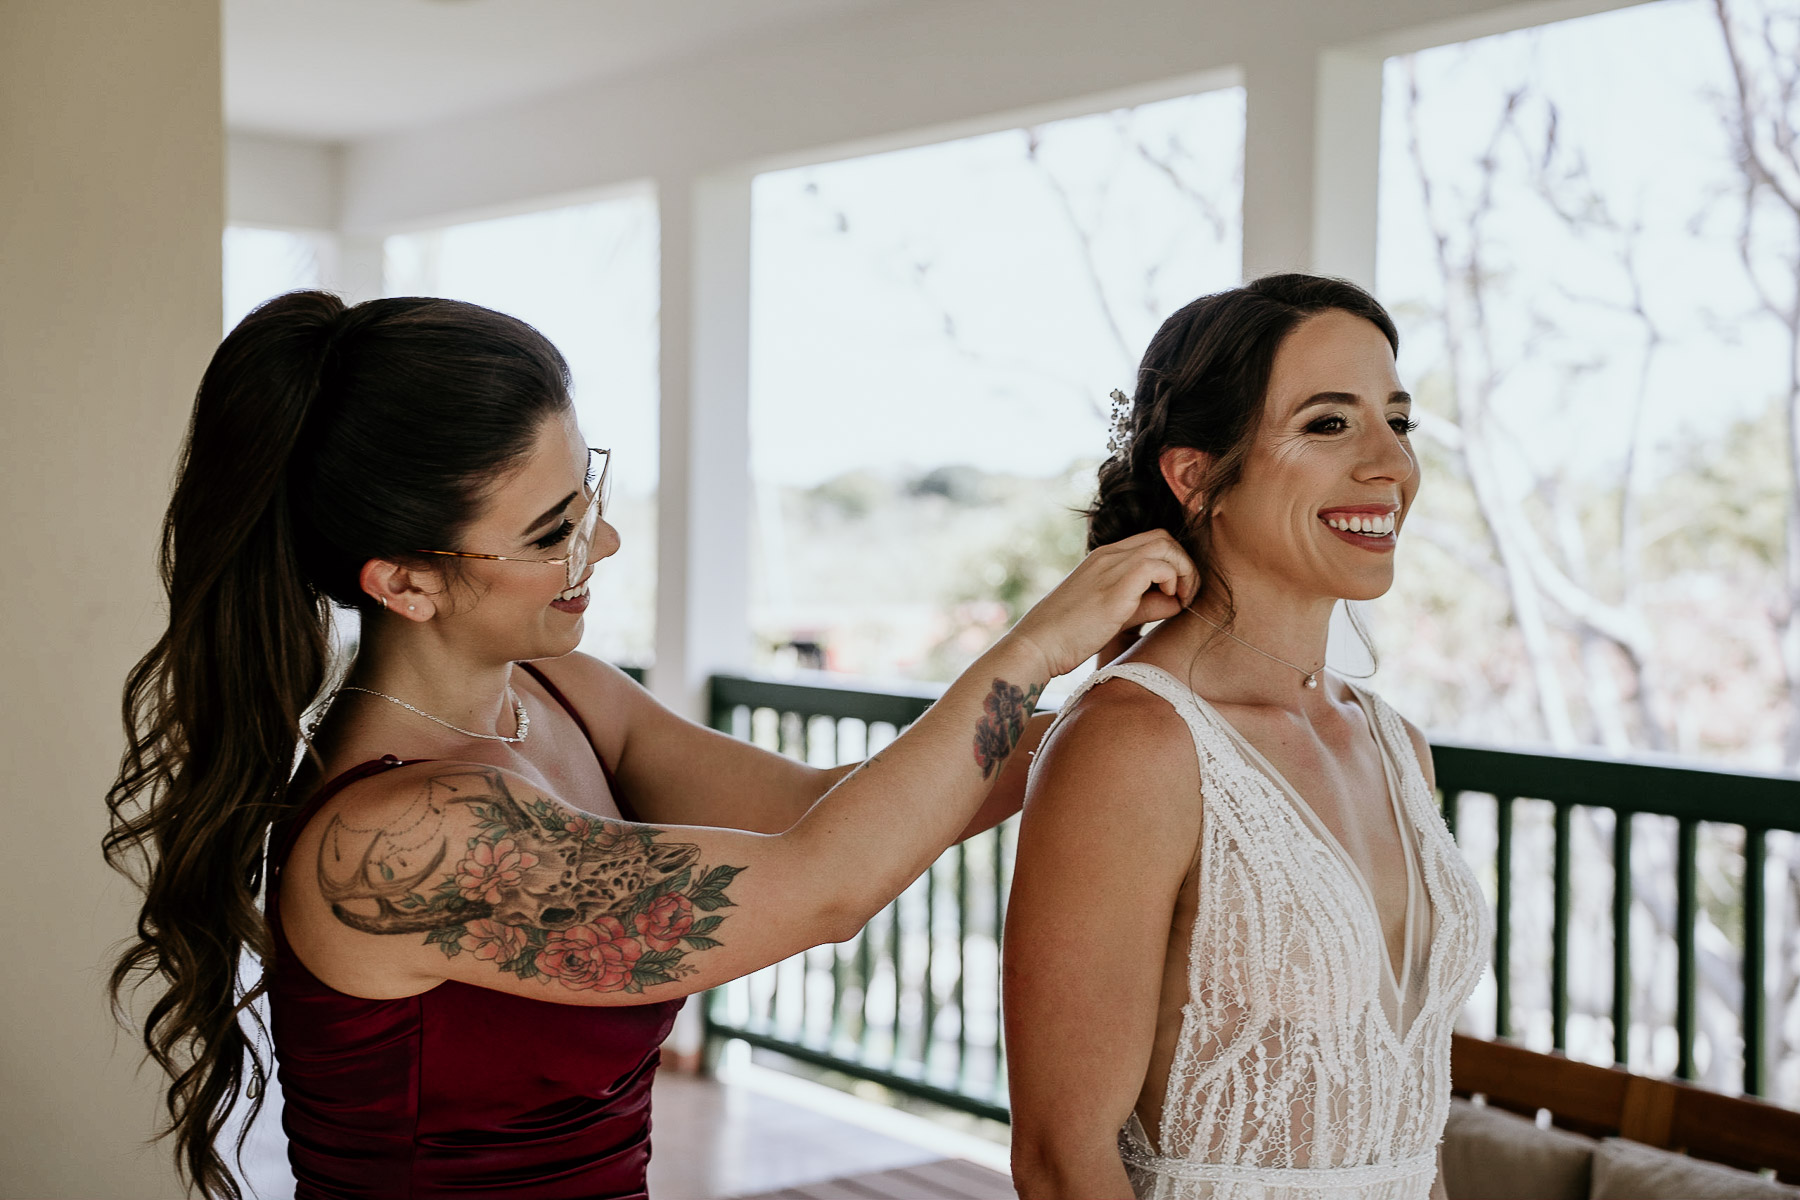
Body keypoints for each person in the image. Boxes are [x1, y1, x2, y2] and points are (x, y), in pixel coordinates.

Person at [102, 291, 1198, 1200]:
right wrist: (1037, 643)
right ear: (404, 582)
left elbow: (820, 800)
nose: (604, 543)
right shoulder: (401, 842)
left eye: (589, 497)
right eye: (551, 534)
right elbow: (821, 885)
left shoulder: (556, 687)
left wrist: (1147, 728)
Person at [1003, 275, 1490, 1200]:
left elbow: (1407, 1120)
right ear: (1195, 475)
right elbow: (1063, 1164)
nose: (1391, 463)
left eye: (1399, 420)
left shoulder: (1396, 746)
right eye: (1328, 424)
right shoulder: (1135, 746)